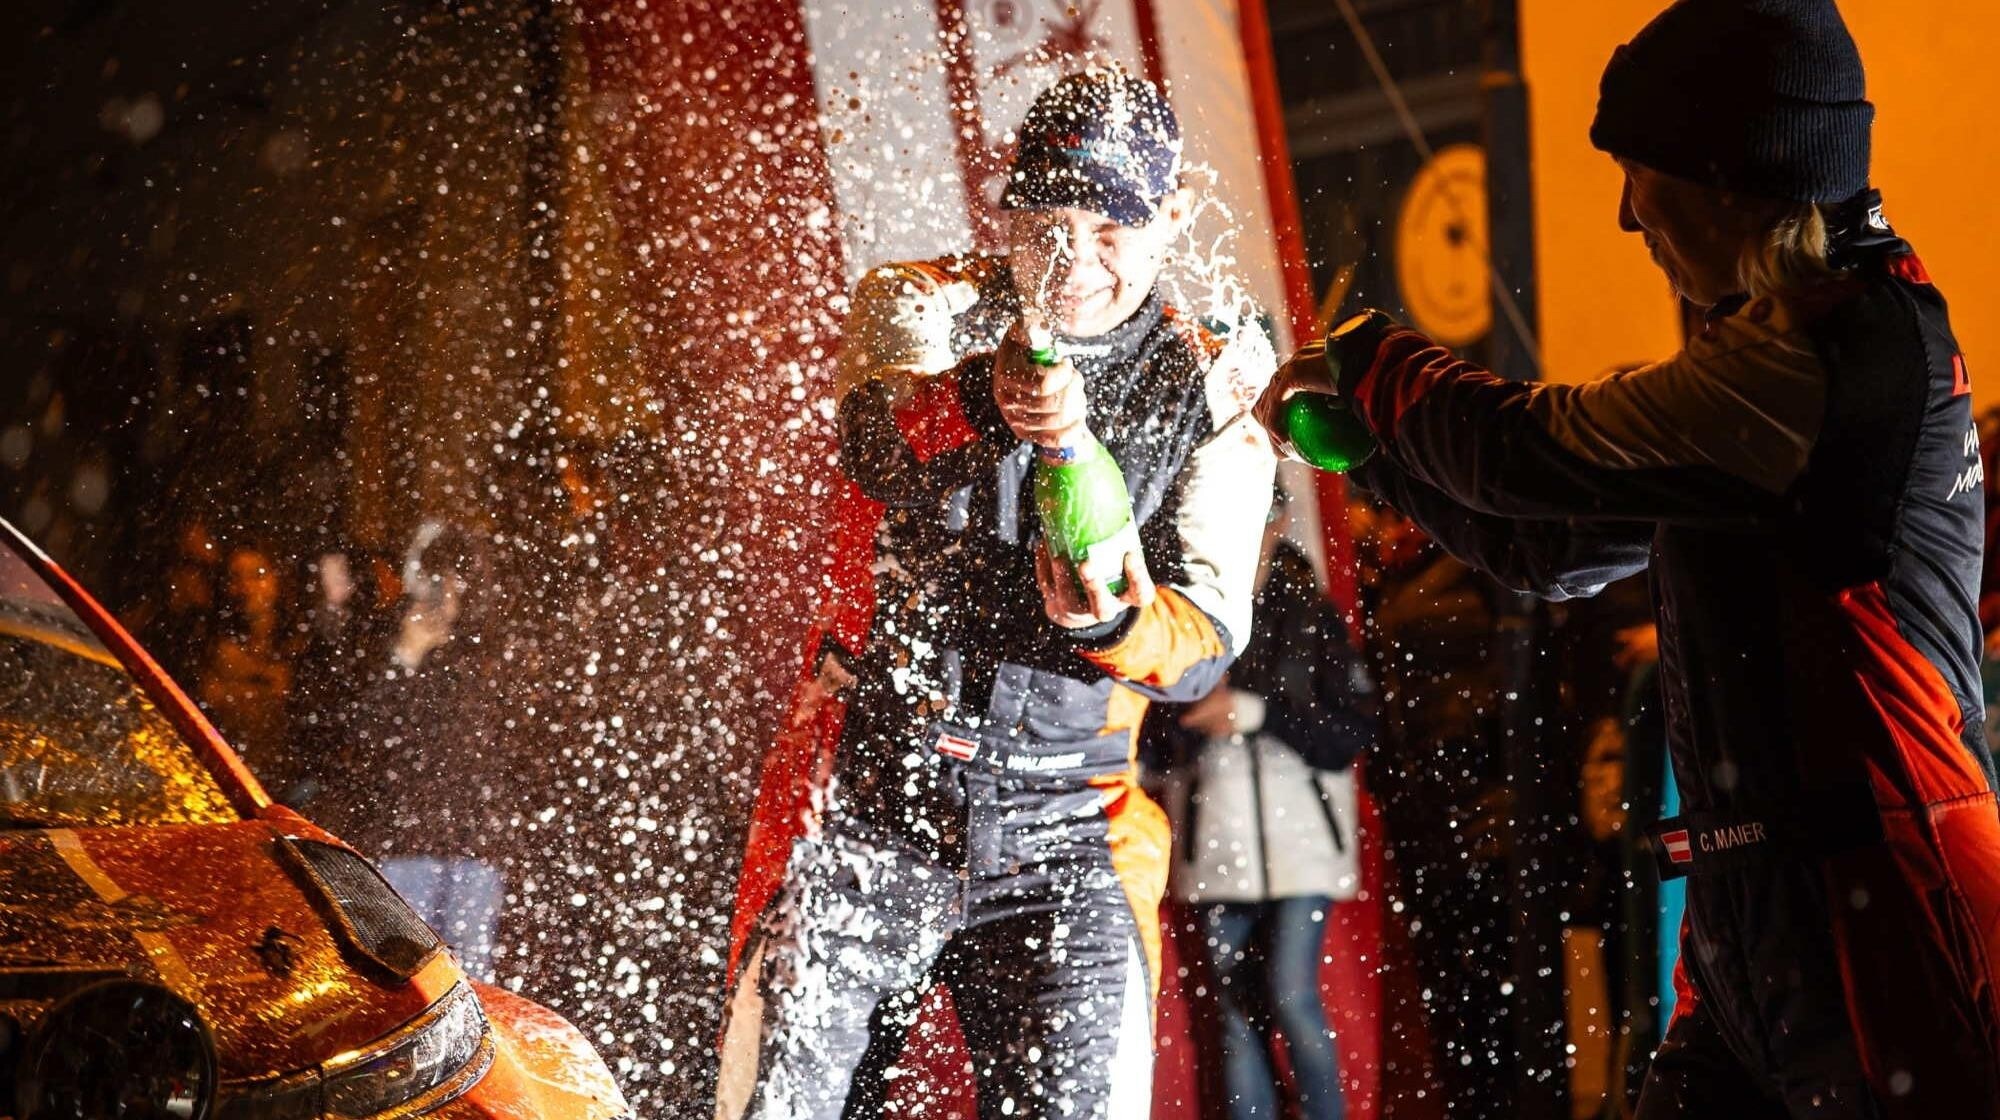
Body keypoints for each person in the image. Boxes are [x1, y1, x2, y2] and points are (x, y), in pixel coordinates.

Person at [1257, 2, 2000, 1116]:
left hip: (1878, 910)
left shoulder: (1840, 346)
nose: (1622, 216)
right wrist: (1374, 459)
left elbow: (1517, 452)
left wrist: (1368, 357)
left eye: (1637, 175)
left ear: (1727, 177)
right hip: (1757, 919)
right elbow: (1544, 546)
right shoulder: (1761, 361)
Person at [716, 67, 1276, 1120]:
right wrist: (982, 395)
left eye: (1109, 227)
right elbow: (878, 455)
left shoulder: (1212, 381)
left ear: (1170, 218)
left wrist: (1114, 618)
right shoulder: (928, 307)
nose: (1074, 261)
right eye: (1048, 224)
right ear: (1007, 216)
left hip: (1070, 828)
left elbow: (1206, 643)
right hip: (867, 808)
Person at [1148, 491, 1373, 1120]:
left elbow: (1350, 731)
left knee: (1290, 994)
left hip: (1301, 843)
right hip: (1217, 842)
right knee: (1231, 1013)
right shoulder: (1181, 614)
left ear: (1277, 522)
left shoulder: (1307, 612)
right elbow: (1154, 740)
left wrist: (1257, 714)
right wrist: (1195, 720)